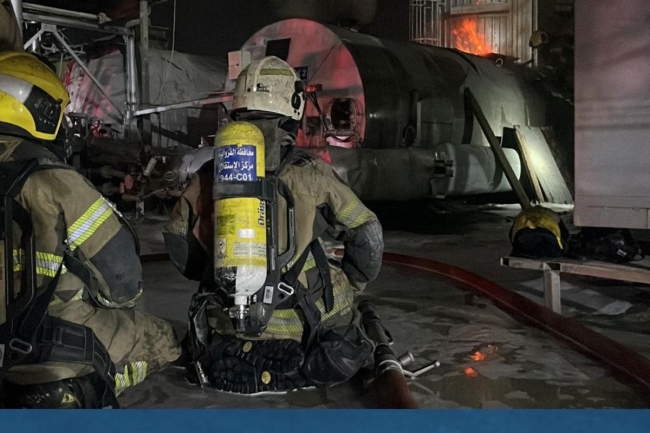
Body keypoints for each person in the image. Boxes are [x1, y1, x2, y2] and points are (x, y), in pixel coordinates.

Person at [164, 56, 384, 394]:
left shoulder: (209, 175)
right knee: (346, 319)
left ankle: (238, 351)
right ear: (292, 110)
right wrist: (352, 283)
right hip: (305, 330)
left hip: (225, 326)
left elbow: (178, 242)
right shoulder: (311, 173)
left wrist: (218, 270)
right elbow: (367, 233)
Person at [0, 50, 181, 408]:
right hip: (40, 344)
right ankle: (75, 392)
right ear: (41, 109)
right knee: (162, 337)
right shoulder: (56, 182)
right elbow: (122, 279)